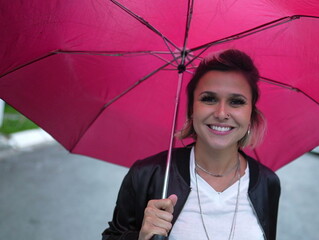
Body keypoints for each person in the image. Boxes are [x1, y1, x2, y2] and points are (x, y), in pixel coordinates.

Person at [102, 49, 281, 240]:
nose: (221, 113)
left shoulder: (267, 183)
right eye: (209, 99)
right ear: (191, 110)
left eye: (236, 102)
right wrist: (140, 238)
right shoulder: (147, 175)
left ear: (251, 114)